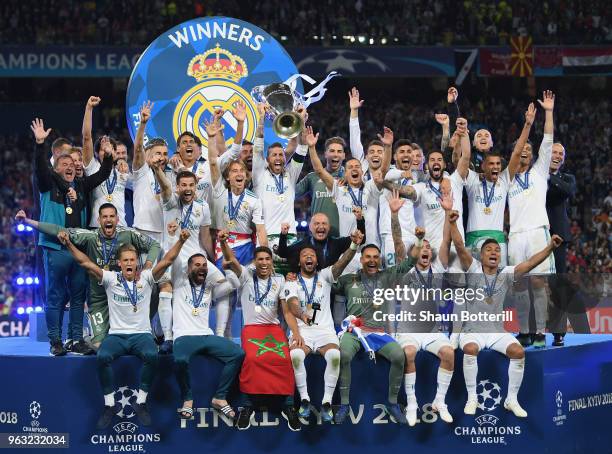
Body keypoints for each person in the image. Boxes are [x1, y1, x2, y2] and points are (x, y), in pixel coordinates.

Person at [58, 229, 189, 429]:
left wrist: (180, 240)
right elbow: (85, 262)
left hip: (141, 335)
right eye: (125, 260)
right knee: (102, 357)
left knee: (152, 355)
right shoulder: (111, 279)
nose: (129, 263)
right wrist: (68, 244)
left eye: (132, 260)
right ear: (119, 263)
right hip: (117, 335)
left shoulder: (146, 278)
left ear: (137, 262)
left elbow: (167, 261)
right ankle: (109, 405)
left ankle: (141, 402)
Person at [448, 202, 562, 418]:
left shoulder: (506, 273)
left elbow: (529, 264)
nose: (494, 252)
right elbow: (461, 247)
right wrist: (453, 223)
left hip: (497, 332)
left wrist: (550, 247)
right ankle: (472, 397)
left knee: (518, 352)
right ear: (481, 256)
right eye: (489, 250)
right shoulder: (473, 269)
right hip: (472, 331)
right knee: (470, 349)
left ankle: (511, 399)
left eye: (497, 250)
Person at [16, 204, 161, 349]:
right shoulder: (90, 237)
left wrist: (147, 267)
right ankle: (88, 337)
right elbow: (59, 230)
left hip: (124, 297)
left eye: (111, 216)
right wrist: (27, 221)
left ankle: (146, 329)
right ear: (99, 220)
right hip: (99, 301)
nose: (108, 219)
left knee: (152, 286)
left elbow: (154, 245)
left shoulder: (128, 234)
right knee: (99, 347)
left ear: (117, 220)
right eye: (104, 216)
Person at [32, 118, 113, 356]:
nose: (69, 166)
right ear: (55, 167)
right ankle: (55, 341)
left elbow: (103, 174)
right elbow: (40, 167)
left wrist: (108, 157)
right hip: (55, 248)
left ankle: (76, 339)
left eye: (72, 163)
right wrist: (40, 144)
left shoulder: (81, 185)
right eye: (63, 162)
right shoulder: (48, 184)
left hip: (78, 250)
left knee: (78, 296)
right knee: (55, 296)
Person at [219, 237, 302, 431]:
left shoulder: (279, 280)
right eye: (260, 259)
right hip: (252, 329)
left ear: (272, 262)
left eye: (267, 259)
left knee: (284, 360)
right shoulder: (247, 275)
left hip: (273, 329)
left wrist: (296, 333)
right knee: (252, 359)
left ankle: (288, 406)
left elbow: (287, 311)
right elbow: (231, 258)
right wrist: (223, 243)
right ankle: (247, 406)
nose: (264, 263)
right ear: (255, 262)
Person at [333, 242, 420, 425]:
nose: (372, 260)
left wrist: (419, 241)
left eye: (375, 257)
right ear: (361, 259)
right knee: (344, 355)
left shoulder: (387, 276)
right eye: (368, 257)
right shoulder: (348, 280)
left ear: (379, 260)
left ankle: (393, 403)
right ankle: (344, 404)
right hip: (354, 332)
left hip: (379, 333)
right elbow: (327, 281)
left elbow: (410, 261)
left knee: (398, 355)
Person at [388, 189, 454, 426]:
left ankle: (440, 401)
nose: (425, 250)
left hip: (433, 332)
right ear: (415, 252)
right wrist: (394, 215)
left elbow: (445, 240)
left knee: (449, 354)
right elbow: (397, 241)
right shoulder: (405, 270)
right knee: (409, 354)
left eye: (428, 247)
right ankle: (413, 404)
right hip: (408, 332)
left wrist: (447, 212)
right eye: (421, 247)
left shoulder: (439, 270)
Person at [285, 229, 363, 422]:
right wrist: (302, 315)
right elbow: (292, 303)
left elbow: (342, 262)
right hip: (302, 330)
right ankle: (304, 399)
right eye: (304, 255)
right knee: (295, 355)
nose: (309, 257)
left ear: (317, 260)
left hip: (324, 331)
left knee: (335, 356)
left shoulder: (326, 276)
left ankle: (327, 401)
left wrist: (353, 245)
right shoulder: (292, 281)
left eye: (312, 255)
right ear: (299, 261)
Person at [508, 90, 556, 348]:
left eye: (528, 148)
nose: (525, 151)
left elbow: (547, 140)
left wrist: (548, 112)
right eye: (521, 148)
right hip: (515, 234)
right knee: (518, 284)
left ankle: (540, 332)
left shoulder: (539, 172)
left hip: (537, 231)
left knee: (538, 282)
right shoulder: (507, 178)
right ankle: (524, 331)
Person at [172, 252, 244, 421]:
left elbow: (234, 283)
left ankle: (220, 397)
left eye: (204, 265)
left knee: (237, 354)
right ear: (188, 268)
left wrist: (227, 269)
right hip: (184, 336)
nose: (201, 268)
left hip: (205, 335)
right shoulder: (179, 283)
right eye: (197, 265)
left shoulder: (210, 288)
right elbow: (174, 262)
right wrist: (176, 238)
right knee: (180, 360)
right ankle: (188, 399)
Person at [463, 103, 536, 266]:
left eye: (498, 164)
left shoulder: (504, 180)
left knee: (500, 285)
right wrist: (463, 135)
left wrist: (527, 125)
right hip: (473, 238)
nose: (495, 167)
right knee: (474, 287)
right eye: (491, 164)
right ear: (483, 166)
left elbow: (517, 152)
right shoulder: (473, 179)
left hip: (498, 239)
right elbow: (465, 157)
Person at [153, 166, 214, 353]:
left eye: (191, 185)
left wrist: (213, 258)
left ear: (196, 186)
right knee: (165, 290)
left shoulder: (203, 206)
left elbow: (205, 236)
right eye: (183, 185)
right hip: (170, 255)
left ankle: (201, 332)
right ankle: (168, 339)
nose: (187, 188)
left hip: (193, 259)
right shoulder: (170, 201)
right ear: (177, 187)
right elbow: (164, 187)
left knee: (215, 286)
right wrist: (158, 171)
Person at [305, 125, 389, 249]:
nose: (354, 169)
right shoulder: (338, 190)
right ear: (345, 173)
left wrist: (388, 147)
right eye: (350, 167)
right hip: (346, 251)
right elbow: (319, 171)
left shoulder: (371, 187)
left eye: (357, 167)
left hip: (371, 248)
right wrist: (311, 147)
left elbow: (384, 169)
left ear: (362, 171)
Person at [251, 104, 308, 273]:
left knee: (288, 284)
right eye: (273, 155)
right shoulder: (259, 174)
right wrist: (261, 117)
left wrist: (301, 120)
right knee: (267, 286)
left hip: (290, 239)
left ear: (285, 158)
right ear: (267, 159)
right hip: (265, 239)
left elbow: (303, 147)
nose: (278, 158)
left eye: (281, 155)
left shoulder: (291, 174)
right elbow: (258, 145)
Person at [546, 142, 590, 345]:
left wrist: (547, 176)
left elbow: (568, 190)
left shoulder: (567, 178)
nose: (556, 155)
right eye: (553, 152)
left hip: (558, 238)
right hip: (534, 234)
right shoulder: (534, 177)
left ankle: (559, 333)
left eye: (560, 154)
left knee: (557, 283)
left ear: (563, 159)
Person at [207, 119, 267, 267]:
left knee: (244, 287)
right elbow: (213, 162)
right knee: (225, 286)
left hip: (245, 245)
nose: (238, 174)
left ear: (246, 176)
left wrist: (265, 255)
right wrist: (211, 138)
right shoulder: (220, 191)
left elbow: (260, 230)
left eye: (242, 171)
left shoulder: (254, 200)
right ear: (227, 176)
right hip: (222, 244)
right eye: (234, 171)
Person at [82, 96, 132, 227]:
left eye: (110, 149)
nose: (107, 151)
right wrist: (89, 108)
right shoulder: (92, 167)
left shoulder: (122, 171)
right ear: (97, 153)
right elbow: (87, 138)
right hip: (97, 227)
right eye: (103, 149)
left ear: (115, 153)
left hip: (121, 226)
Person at [131, 101, 172, 243]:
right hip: (143, 230)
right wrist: (143, 124)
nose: (162, 157)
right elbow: (137, 150)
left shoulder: (171, 175)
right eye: (158, 153)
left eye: (165, 153)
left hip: (166, 232)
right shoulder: (141, 172)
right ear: (147, 155)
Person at [295, 130, 347, 237]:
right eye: (332, 151)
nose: (336, 154)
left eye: (339, 151)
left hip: (342, 236)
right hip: (318, 236)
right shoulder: (312, 177)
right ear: (325, 154)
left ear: (344, 155)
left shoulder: (350, 178)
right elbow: (291, 193)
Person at [276, 212, 364, 270]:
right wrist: (283, 235)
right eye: (317, 223)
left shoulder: (337, 243)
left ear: (329, 227)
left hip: (330, 285)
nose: (321, 226)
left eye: (324, 223)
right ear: (310, 227)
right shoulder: (302, 243)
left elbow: (360, 238)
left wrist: (360, 220)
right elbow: (283, 253)